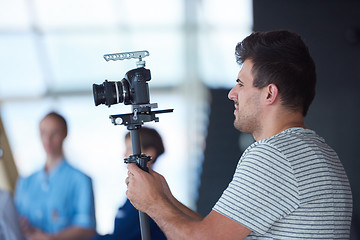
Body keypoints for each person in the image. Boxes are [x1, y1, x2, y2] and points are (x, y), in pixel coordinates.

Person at [125, 30, 353, 239]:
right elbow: (214, 231)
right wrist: (165, 197)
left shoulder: (272, 155)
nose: (232, 94)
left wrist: (152, 204)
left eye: (241, 84)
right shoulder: (317, 151)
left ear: (269, 94)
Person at [15, 111, 96, 240]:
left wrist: (52, 239)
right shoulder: (25, 182)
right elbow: (16, 222)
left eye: (55, 133)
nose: (48, 139)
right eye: (43, 133)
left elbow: (87, 227)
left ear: (65, 134)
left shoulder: (81, 180)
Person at [93, 127, 166, 240]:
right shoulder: (137, 194)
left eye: (130, 148)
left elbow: (121, 237)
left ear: (150, 153)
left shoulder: (148, 196)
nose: (125, 154)